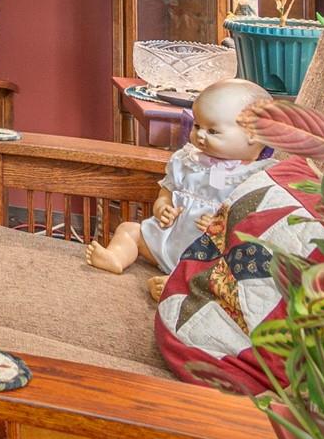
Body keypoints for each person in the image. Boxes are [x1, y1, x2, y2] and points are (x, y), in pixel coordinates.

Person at [85, 76, 270, 300]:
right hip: (167, 237)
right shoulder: (186, 160)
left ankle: (177, 283)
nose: (200, 135)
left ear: (253, 135)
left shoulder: (258, 177)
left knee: (226, 269)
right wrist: (162, 208)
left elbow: (255, 226)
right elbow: (166, 192)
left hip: (206, 252)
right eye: (197, 126)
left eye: (213, 131)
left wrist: (221, 227)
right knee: (129, 230)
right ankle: (116, 257)